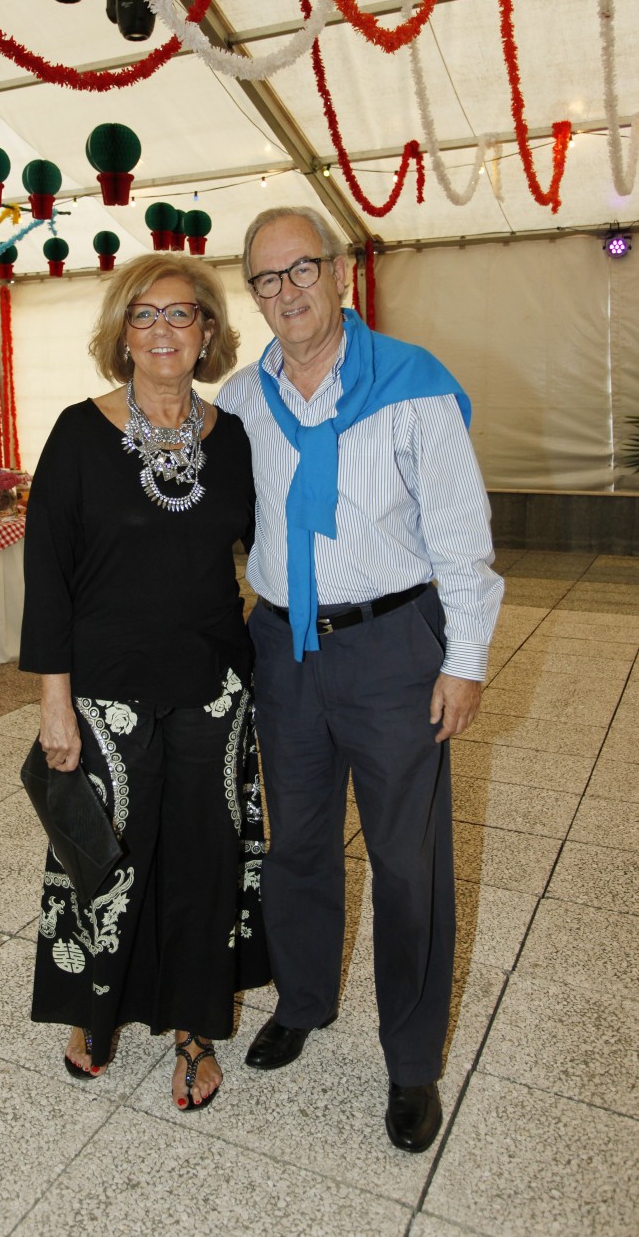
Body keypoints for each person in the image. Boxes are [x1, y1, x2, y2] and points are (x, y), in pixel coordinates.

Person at [216, 207, 503, 1152]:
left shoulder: (413, 385)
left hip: (391, 650)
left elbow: (460, 537)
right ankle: (304, 1000)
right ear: (253, 295)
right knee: (296, 844)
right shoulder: (241, 401)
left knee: (407, 862)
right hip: (284, 649)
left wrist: (464, 661)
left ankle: (412, 1060)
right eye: (267, 278)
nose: (287, 290)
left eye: (302, 268)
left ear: (338, 272)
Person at [20, 253, 269, 1111]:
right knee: (106, 856)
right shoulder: (76, 433)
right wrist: (54, 700)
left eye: (181, 313)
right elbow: (47, 579)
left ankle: (196, 1028)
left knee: (204, 858)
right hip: (105, 691)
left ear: (208, 332)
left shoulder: (232, 438)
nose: (164, 329)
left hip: (212, 687)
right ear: (121, 333)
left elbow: (265, 549)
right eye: (144, 314)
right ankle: (95, 1010)